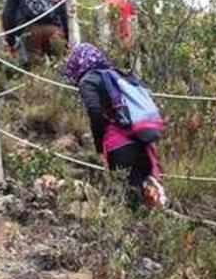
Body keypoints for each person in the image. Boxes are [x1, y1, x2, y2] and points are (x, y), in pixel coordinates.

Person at [62, 43, 166, 208]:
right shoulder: (116, 75)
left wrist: (98, 147)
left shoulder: (88, 80)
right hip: (142, 143)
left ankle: (135, 229)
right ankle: (155, 224)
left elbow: (95, 111)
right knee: (146, 196)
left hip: (119, 147)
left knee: (130, 199)